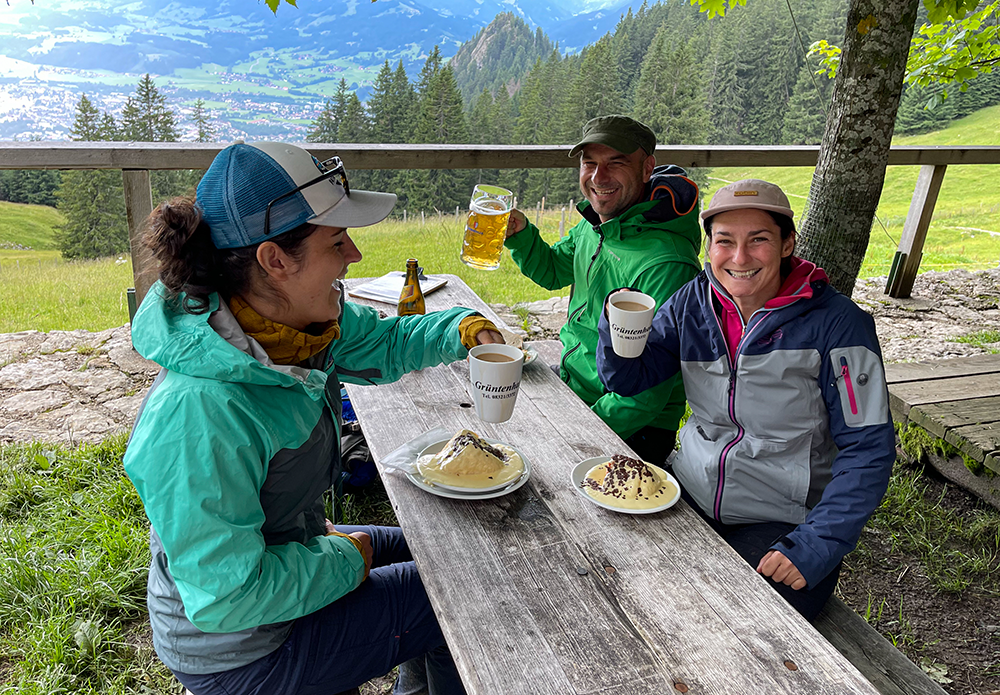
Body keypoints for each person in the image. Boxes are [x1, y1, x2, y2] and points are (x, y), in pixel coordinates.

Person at [124, 141, 503, 695]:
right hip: (243, 652)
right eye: (336, 240)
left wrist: (462, 328)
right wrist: (346, 561)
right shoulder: (199, 414)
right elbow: (226, 597)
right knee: (457, 593)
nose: (353, 254)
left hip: (285, 554)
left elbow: (384, 341)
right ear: (275, 259)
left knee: (431, 548)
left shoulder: (292, 327)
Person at [596, 179, 896, 620]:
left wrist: (817, 544)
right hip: (688, 492)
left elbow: (869, 448)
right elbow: (628, 378)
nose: (739, 258)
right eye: (725, 242)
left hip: (782, 521)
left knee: (743, 630)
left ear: (787, 243)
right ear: (709, 247)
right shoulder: (692, 304)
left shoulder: (839, 325)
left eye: (758, 240)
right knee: (614, 587)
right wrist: (615, 325)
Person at [504, 115, 701, 466]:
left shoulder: (667, 264)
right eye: (589, 163)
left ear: (646, 168)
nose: (598, 177)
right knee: (489, 392)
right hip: (574, 380)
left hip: (632, 427)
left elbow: (643, 398)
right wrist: (521, 235)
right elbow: (553, 271)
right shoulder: (598, 224)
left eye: (616, 163)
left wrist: (574, 432)